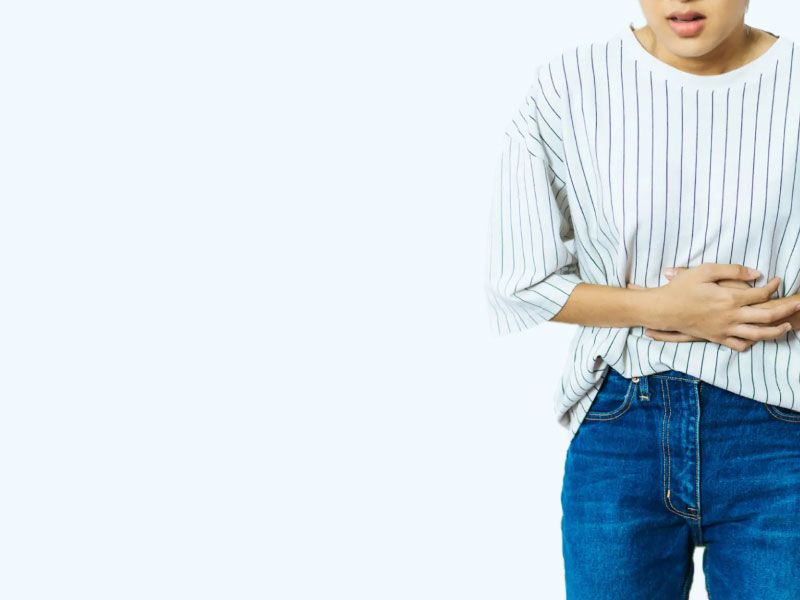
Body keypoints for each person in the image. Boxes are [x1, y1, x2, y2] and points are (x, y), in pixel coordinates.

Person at [483, 1, 800, 598]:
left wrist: (780, 307)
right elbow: (517, 279)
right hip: (622, 423)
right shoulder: (571, 85)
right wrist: (661, 308)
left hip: (783, 426)